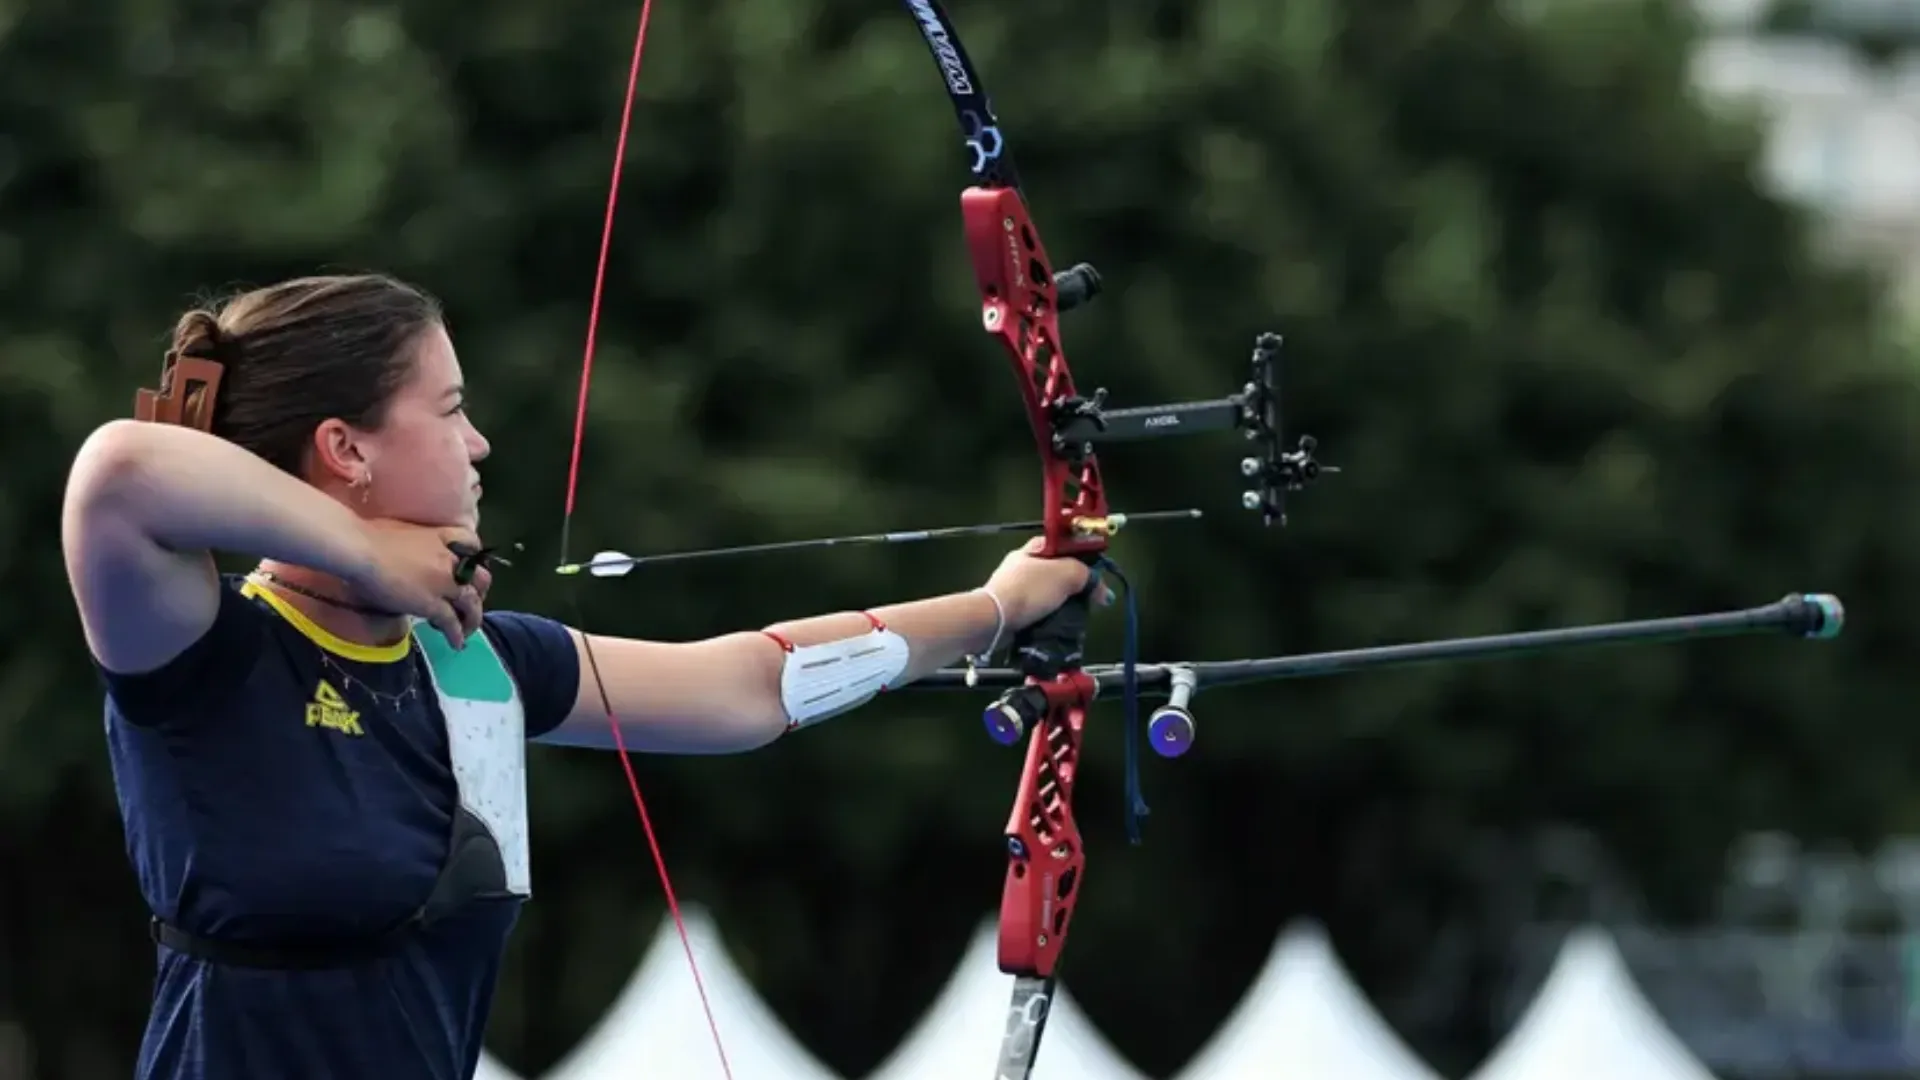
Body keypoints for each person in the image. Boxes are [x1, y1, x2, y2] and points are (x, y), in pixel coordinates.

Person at [60, 273, 1100, 1080]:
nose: (480, 442)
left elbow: (747, 689)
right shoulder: (208, 652)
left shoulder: (474, 660)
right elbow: (118, 472)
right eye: (450, 408)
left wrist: (993, 609)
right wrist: (370, 553)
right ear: (345, 448)